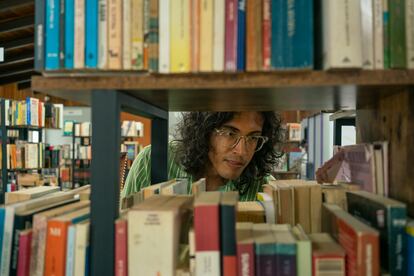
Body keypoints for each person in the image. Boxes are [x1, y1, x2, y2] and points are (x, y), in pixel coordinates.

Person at [121, 111, 284, 201]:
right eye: (229, 133)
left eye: (253, 137)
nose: (241, 151)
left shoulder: (265, 187)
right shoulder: (152, 160)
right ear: (204, 131)